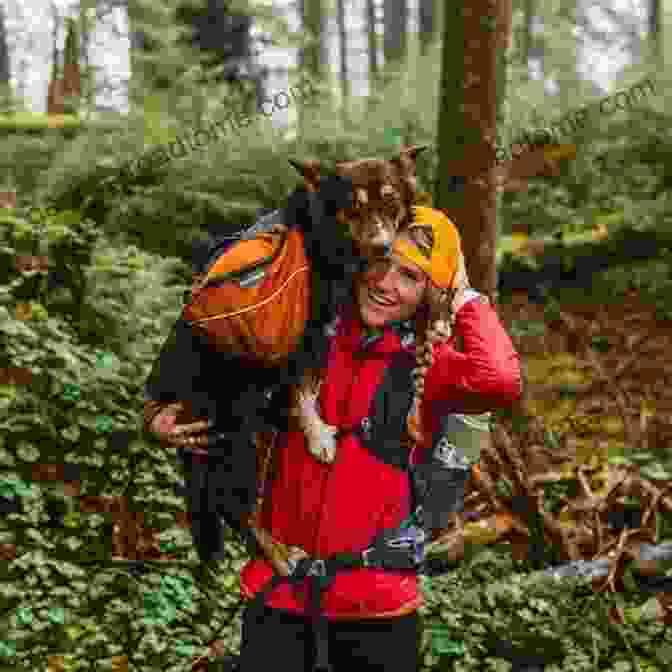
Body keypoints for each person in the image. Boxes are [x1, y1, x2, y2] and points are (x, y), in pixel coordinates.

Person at [148, 206, 522, 672]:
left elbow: (501, 379)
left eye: (410, 276)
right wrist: (161, 414)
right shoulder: (295, 335)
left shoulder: (432, 366)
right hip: (278, 594)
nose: (386, 284)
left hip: (378, 609)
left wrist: (465, 296)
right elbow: (215, 369)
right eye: (380, 264)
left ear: (431, 291)